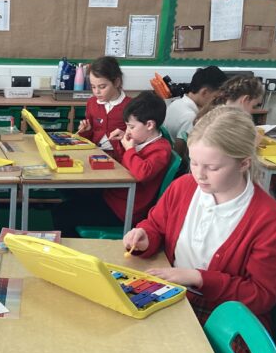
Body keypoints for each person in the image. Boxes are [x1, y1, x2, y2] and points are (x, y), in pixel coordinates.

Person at [123, 106, 276, 331]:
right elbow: (155, 226)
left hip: (224, 315)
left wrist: (198, 278)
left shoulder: (270, 219)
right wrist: (145, 237)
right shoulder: (183, 187)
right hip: (175, 295)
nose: (199, 174)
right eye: (193, 163)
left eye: (212, 167)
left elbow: (261, 296)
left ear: (244, 163)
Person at [55, 91, 171, 236]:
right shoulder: (141, 140)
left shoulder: (161, 149)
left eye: (131, 127)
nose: (128, 131)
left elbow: (142, 173)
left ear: (149, 125)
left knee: (62, 214)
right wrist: (122, 142)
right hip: (114, 197)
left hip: (125, 209)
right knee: (69, 191)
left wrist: (129, 149)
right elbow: (125, 163)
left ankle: (72, 248)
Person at [163, 65, 227, 159]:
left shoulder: (176, 103)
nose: (216, 102)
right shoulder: (191, 117)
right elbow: (178, 155)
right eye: (216, 97)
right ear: (204, 92)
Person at [76, 56, 131, 161]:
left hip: (120, 158)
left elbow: (138, 140)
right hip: (94, 153)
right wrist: (85, 131)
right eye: (93, 87)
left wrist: (126, 136)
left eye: (102, 87)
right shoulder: (92, 103)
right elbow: (88, 138)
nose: (97, 92)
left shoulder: (131, 106)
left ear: (116, 82)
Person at [195, 75, 264, 123]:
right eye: (254, 106)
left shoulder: (213, 111)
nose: (252, 111)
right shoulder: (229, 121)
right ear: (246, 99)